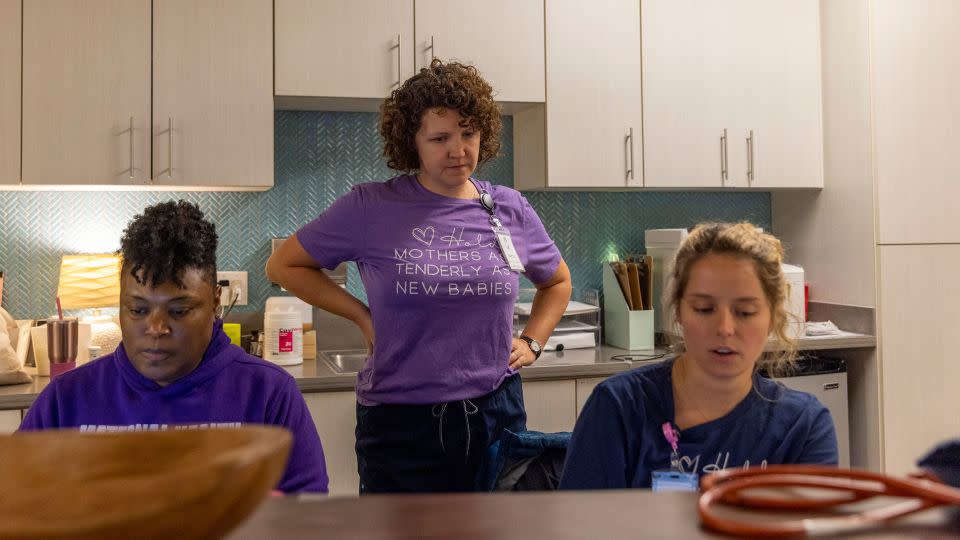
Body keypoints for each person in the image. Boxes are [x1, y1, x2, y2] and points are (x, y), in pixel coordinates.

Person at [266, 59, 572, 493]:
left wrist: (532, 341)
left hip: (494, 415)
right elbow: (284, 265)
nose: (458, 149)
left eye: (468, 133)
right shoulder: (370, 207)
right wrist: (361, 316)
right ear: (412, 142)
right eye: (440, 137)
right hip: (401, 425)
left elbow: (557, 282)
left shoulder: (509, 208)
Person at [20, 201, 328, 494]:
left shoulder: (268, 395)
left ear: (215, 303)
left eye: (179, 311)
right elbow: (16, 506)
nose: (156, 328)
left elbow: (308, 517)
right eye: (138, 310)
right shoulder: (65, 400)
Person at [560, 222, 837, 490]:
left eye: (745, 312)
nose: (725, 329)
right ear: (679, 311)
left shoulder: (803, 427)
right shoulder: (619, 409)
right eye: (704, 309)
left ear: (772, 318)